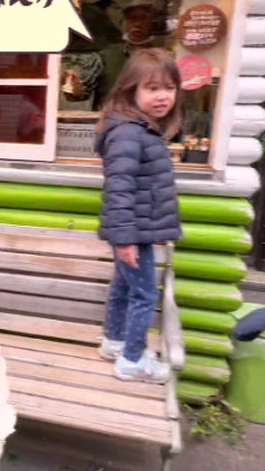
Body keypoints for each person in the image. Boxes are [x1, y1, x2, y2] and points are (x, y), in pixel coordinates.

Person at [94, 48, 183, 382]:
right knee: (144, 295)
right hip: (130, 232)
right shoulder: (129, 132)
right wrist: (125, 239)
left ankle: (114, 342)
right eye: (152, 88)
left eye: (169, 88)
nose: (163, 96)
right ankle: (132, 360)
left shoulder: (140, 129)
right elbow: (119, 189)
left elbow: (147, 187)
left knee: (123, 287)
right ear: (131, 90)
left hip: (136, 230)